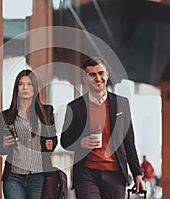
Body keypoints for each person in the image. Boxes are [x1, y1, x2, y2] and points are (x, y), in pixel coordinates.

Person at [60, 57, 145, 199]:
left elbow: (129, 141)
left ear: (107, 75)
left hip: (115, 174)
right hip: (86, 174)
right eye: (92, 74)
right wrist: (81, 142)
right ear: (85, 78)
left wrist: (137, 174)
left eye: (100, 73)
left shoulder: (121, 104)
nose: (97, 78)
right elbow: (65, 141)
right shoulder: (74, 107)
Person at [0, 69, 58, 199]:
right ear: (16, 89)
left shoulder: (46, 112)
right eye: (21, 84)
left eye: (29, 84)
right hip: (13, 176)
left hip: (39, 176)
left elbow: (53, 140)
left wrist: (50, 144)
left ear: (35, 88)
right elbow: (1, 149)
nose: (25, 87)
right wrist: (4, 144)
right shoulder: (6, 116)